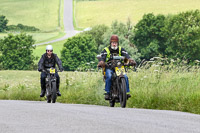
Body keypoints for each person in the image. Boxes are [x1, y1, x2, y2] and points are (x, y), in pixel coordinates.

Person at [98, 35, 136, 99]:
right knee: (109, 76)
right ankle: (107, 93)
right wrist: (101, 62)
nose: (114, 44)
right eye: (113, 42)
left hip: (119, 67)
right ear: (110, 43)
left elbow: (126, 56)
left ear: (117, 43)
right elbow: (102, 57)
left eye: (115, 43)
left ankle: (126, 92)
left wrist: (130, 61)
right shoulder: (106, 50)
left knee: (125, 77)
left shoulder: (121, 49)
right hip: (109, 67)